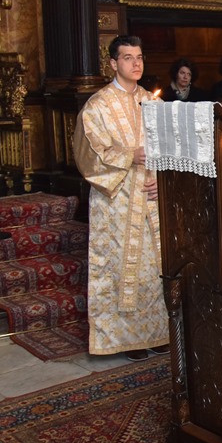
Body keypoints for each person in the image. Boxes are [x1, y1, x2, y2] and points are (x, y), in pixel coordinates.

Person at [72, 35, 169, 362]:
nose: (135, 63)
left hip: (152, 198)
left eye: (139, 57)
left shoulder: (154, 103)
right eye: (128, 58)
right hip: (116, 201)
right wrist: (130, 155)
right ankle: (126, 339)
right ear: (113, 63)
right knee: (122, 270)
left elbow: (172, 150)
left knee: (154, 269)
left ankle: (159, 332)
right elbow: (88, 154)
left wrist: (165, 183)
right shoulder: (97, 106)